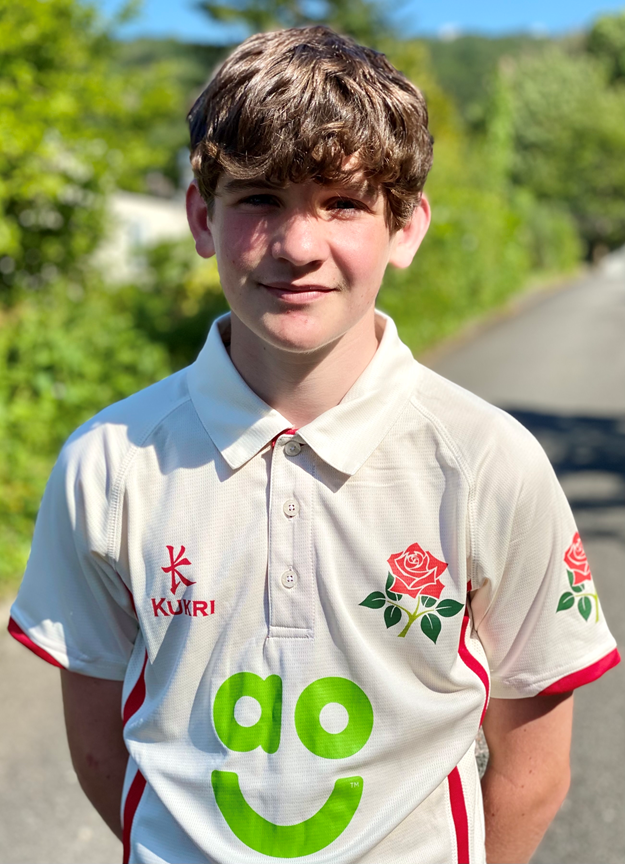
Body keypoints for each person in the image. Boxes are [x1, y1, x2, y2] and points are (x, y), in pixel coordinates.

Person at [8, 25, 619, 865]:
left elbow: (534, 768)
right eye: (259, 198)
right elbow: (95, 747)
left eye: (343, 202)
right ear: (202, 217)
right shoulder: (108, 462)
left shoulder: (490, 462)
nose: (298, 246)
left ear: (406, 228)